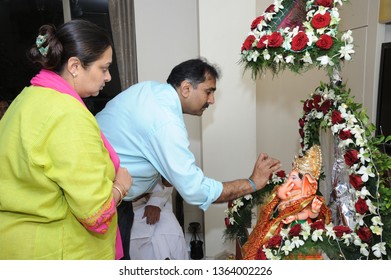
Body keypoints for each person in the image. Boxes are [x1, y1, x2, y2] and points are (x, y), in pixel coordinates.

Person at [95, 58, 282, 258]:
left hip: (108, 190)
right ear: (186, 88)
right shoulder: (166, 123)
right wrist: (252, 183)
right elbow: (195, 190)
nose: (211, 101)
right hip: (103, 199)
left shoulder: (149, 89)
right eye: (208, 92)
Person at [0, 19, 132, 260]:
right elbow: (96, 213)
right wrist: (120, 186)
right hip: (58, 250)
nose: (109, 77)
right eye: (104, 68)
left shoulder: (26, 98)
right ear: (74, 66)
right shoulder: (68, 115)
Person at [241, 145, 332, 260]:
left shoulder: (308, 198)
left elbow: (310, 214)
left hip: (300, 232)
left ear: (305, 181)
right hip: (283, 230)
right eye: (290, 177)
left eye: (293, 178)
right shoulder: (290, 193)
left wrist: (310, 211)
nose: (289, 181)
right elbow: (276, 209)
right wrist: (280, 199)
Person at [129, 177, 189, 260]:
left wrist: (155, 202)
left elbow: (168, 175)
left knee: (169, 227)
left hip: (157, 198)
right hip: (125, 204)